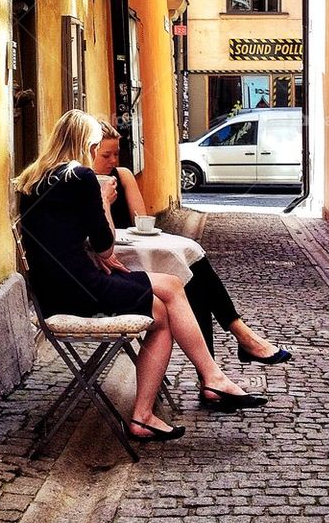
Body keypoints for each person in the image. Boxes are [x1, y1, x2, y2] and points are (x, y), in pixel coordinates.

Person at [15, 111, 267, 442]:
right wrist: (103, 202)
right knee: (172, 288)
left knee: (161, 308)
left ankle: (172, 401)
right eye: (96, 148)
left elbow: (64, 237)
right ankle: (193, 388)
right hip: (82, 291)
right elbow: (105, 247)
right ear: (87, 144)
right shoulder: (80, 177)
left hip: (52, 292)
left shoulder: (31, 180)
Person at [93, 120, 291, 367]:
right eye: (106, 155)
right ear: (88, 152)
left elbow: (140, 224)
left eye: (116, 154)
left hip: (136, 256)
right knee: (192, 279)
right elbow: (98, 241)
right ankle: (236, 345)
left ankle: (223, 361)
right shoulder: (80, 184)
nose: (113, 161)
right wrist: (104, 203)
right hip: (111, 268)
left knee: (194, 276)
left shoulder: (121, 176)